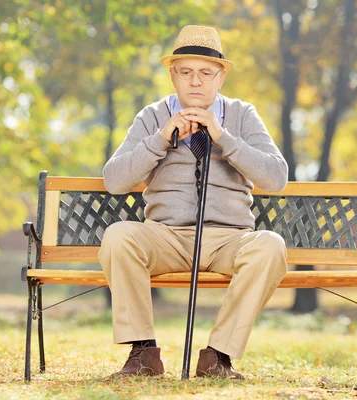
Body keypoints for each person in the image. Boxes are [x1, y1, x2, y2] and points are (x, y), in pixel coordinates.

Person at [99, 25, 288, 380]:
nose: (195, 82)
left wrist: (222, 137)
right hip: (165, 236)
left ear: (221, 77)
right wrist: (161, 138)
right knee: (119, 235)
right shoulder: (152, 116)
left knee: (271, 246)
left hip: (229, 239)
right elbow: (115, 180)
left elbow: (276, 178)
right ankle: (143, 354)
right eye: (185, 72)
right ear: (173, 76)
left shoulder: (242, 115)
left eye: (205, 73)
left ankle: (218, 356)